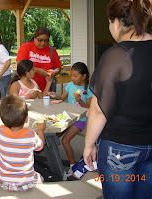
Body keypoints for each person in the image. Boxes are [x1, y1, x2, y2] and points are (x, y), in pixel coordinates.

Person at [83, 0, 152, 198]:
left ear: (117, 23)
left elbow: (98, 110)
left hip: (121, 148)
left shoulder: (116, 55)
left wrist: (89, 144)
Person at [49, 62, 93, 176]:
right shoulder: (70, 85)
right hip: (68, 117)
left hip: (80, 120)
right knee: (53, 134)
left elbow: (88, 108)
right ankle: (51, 158)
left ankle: (73, 166)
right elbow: (62, 98)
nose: (72, 78)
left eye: (75, 76)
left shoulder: (88, 89)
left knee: (65, 140)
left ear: (83, 76)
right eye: (71, 75)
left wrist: (80, 101)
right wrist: (55, 96)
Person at [0, 94, 46, 191]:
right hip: (25, 182)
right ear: (27, 118)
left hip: (4, 182)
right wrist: (41, 130)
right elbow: (40, 146)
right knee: (40, 177)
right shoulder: (30, 135)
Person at [16, 27, 61, 92]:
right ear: (34, 38)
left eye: (46, 40)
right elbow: (20, 65)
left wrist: (54, 72)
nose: (43, 43)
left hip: (46, 88)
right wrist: (36, 70)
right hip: (27, 89)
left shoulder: (52, 50)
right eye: (40, 40)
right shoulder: (26, 47)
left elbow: (58, 68)